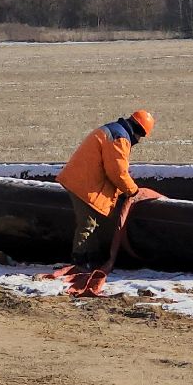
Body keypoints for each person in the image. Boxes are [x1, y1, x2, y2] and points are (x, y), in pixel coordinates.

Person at [56, 110, 156, 271]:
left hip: (83, 180)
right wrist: (133, 191)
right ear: (140, 131)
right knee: (87, 224)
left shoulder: (114, 131)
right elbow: (117, 172)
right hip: (84, 184)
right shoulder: (119, 138)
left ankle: (92, 258)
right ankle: (80, 261)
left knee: (92, 223)